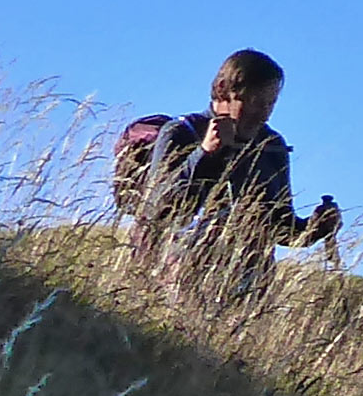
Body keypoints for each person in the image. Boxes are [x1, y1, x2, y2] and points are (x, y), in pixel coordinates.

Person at [136, 49, 341, 302]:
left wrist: (314, 228)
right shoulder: (181, 133)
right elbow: (159, 208)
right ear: (223, 89)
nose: (264, 113)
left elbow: (278, 228)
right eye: (255, 101)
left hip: (247, 297)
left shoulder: (272, 146)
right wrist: (205, 154)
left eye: (271, 103)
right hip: (173, 288)